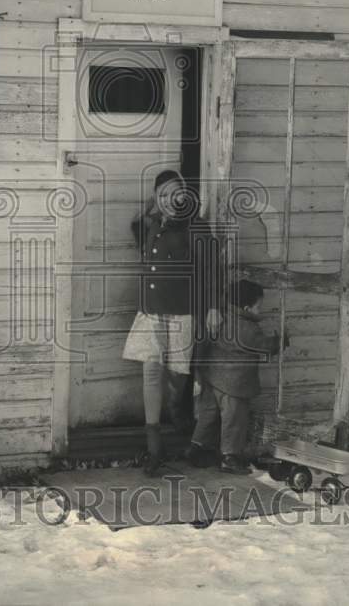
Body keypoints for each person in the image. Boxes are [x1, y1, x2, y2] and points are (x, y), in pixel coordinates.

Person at [122, 169, 220, 476]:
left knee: (179, 376)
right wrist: (152, 207)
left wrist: (214, 307)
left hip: (183, 312)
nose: (169, 200)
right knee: (151, 371)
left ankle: (180, 416)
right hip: (152, 311)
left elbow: (212, 271)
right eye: (162, 195)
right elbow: (136, 224)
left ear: (185, 196)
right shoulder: (150, 225)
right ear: (155, 198)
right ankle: (155, 448)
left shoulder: (197, 228)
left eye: (175, 193)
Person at [187, 279, 280, 474]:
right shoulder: (247, 328)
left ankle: (196, 448)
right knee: (234, 421)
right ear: (246, 307)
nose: (259, 311)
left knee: (208, 417)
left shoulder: (221, 318)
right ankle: (229, 457)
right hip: (233, 385)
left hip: (212, 378)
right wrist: (280, 341)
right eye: (258, 307)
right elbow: (264, 346)